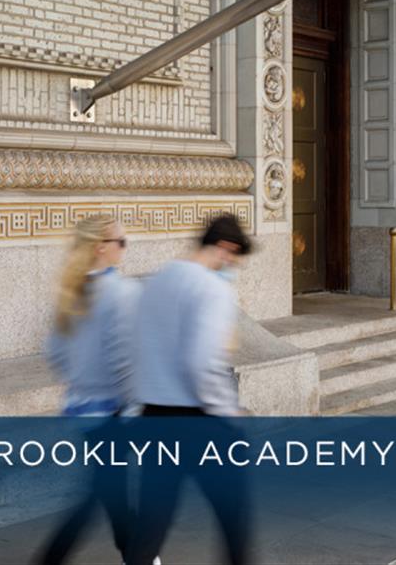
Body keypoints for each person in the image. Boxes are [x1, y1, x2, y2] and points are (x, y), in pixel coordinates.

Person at [128, 214, 253, 565]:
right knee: (233, 515)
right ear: (226, 247)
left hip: (154, 414)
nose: (233, 265)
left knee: (152, 519)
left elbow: (137, 346)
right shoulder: (211, 288)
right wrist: (228, 411)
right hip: (199, 420)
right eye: (235, 257)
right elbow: (201, 363)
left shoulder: (158, 279)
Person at [37, 218, 136, 564]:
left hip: (82, 409)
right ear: (101, 247)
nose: (126, 248)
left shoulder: (72, 291)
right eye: (122, 242)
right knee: (98, 497)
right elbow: (125, 359)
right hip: (113, 412)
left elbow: (55, 352)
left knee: (111, 494)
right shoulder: (120, 292)